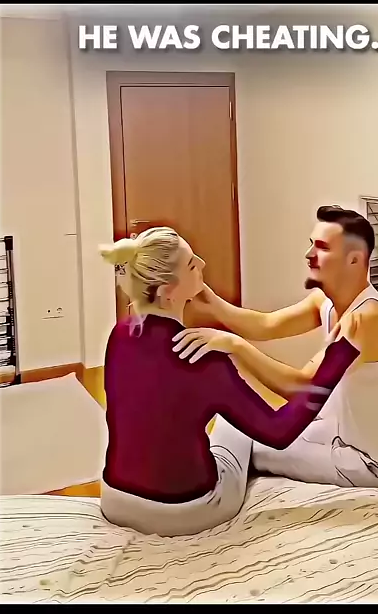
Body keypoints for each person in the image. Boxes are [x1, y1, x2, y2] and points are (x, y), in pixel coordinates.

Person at [98, 225, 361, 537]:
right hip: (184, 511)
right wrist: (340, 354)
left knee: (206, 424)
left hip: (115, 500)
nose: (203, 264)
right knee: (236, 430)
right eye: (192, 264)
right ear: (169, 291)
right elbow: (279, 432)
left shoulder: (120, 335)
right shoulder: (204, 358)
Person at [175, 205, 378, 490]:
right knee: (237, 425)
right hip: (345, 435)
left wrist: (233, 345)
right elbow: (267, 325)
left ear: (354, 260)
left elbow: (304, 386)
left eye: (322, 247)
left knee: (244, 441)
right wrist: (210, 300)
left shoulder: (367, 320)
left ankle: (208, 499)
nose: (309, 254)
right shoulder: (326, 302)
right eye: (311, 244)